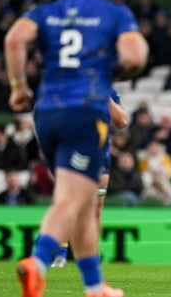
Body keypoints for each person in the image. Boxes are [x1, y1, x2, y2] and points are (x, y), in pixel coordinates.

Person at [5, 0, 148, 297]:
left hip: (46, 112)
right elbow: (135, 56)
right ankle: (37, 264)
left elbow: (13, 40)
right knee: (74, 198)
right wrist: (112, 71)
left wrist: (18, 88)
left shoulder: (46, 11)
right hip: (84, 111)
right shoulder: (113, 13)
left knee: (80, 200)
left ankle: (95, 286)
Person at [52, 89, 129, 268]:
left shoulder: (109, 91)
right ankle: (61, 254)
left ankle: (90, 254)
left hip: (100, 157)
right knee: (68, 203)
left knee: (96, 210)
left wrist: (106, 97)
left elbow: (122, 121)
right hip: (74, 154)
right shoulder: (73, 86)